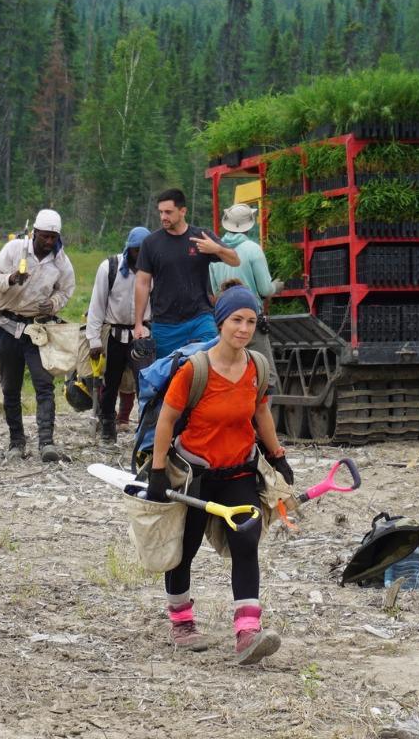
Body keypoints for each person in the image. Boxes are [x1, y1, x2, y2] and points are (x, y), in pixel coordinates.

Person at [146, 282, 294, 664]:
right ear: (220, 322)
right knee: (185, 549)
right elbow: (167, 419)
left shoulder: (256, 367)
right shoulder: (195, 370)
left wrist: (277, 456)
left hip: (238, 471)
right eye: (236, 320)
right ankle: (181, 622)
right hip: (195, 475)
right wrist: (159, 471)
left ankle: (247, 632)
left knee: (246, 543)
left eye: (250, 321)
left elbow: (261, 413)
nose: (244, 329)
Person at [0, 208, 75, 462]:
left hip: (38, 329)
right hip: (8, 325)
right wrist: (11, 278)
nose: (49, 242)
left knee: (44, 384)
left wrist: (54, 303)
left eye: (53, 238)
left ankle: (46, 442)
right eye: (45, 236)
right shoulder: (14, 249)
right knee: (10, 386)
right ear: (35, 232)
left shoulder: (61, 261)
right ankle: (16, 441)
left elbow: (66, 290)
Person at [133, 188, 240, 359]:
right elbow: (142, 283)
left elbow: (235, 260)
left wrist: (217, 248)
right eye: (160, 212)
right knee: (168, 377)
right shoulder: (151, 243)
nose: (163, 217)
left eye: (168, 212)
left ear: (183, 211)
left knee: (210, 366)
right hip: (165, 323)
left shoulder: (201, 236)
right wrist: (138, 323)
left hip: (200, 318)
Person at [85, 226, 151, 443]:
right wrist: (93, 340)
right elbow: (97, 304)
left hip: (143, 335)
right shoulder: (110, 268)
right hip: (115, 333)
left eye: (144, 251)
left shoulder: (155, 272)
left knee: (145, 384)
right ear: (128, 249)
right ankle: (107, 426)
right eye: (136, 251)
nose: (139, 255)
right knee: (110, 382)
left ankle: (146, 429)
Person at [209, 203, 282, 392]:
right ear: (250, 224)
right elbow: (265, 289)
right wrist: (278, 286)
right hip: (250, 322)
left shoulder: (216, 251)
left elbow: (215, 291)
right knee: (267, 376)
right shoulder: (252, 249)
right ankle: (261, 418)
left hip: (225, 321)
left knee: (230, 371)